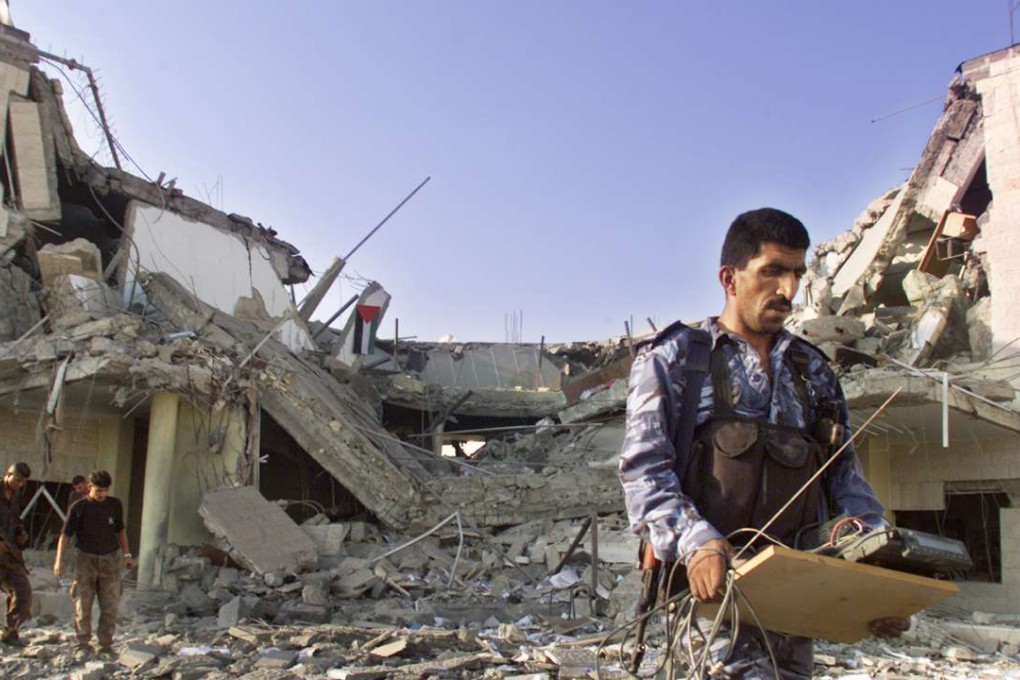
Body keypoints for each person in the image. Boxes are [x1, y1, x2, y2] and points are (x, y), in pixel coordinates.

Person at [619, 208, 905, 679]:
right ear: (729, 278)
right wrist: (698, 542)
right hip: (705, 608)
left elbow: (846, 484)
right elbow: (644, 475)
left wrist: (883, 577)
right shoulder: (674, 360)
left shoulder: (813, 373)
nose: (788, 290)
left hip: (793, 607)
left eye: (796, 273)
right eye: (772, 271)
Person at [54, 470, 134, 658]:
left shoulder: (114, 505)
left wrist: (127, 554)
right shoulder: (78, 507)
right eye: (99, 491)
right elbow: (65, 536)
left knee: (110, 604)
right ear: (90, 487)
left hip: (109, 560)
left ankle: (105, 645)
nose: (102, 495)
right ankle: (82, 644)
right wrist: (59, 559)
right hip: (85, 560)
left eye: (105, 490)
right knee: (83, 602)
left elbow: (120, 530)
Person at [0, 462, 32, 646]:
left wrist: (22, 533)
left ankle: (10, 631)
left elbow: (16, 519)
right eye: (17, 480)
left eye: (22, 482)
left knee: (23, 592)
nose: (19, 484)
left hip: (9, 554)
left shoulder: (15, 496)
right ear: (8, 474)